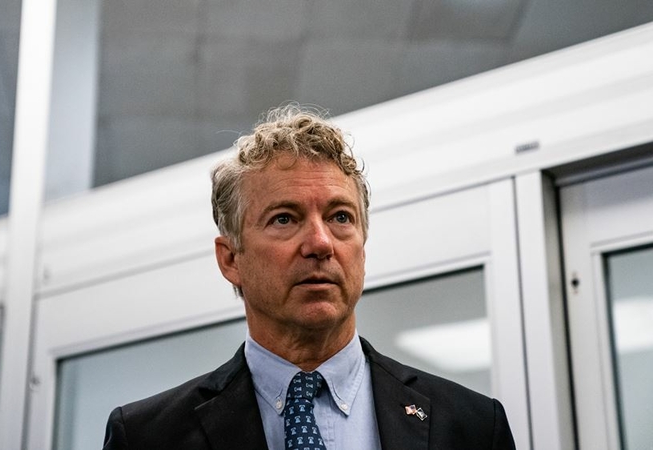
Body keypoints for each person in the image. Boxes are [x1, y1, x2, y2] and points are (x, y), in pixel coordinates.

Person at [102, 105, 516, 449]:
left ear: (362, 247)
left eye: (340, 217)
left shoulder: (473, 426)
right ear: (230, 259)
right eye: (284, 218)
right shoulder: (145, 438)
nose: (320, 242)